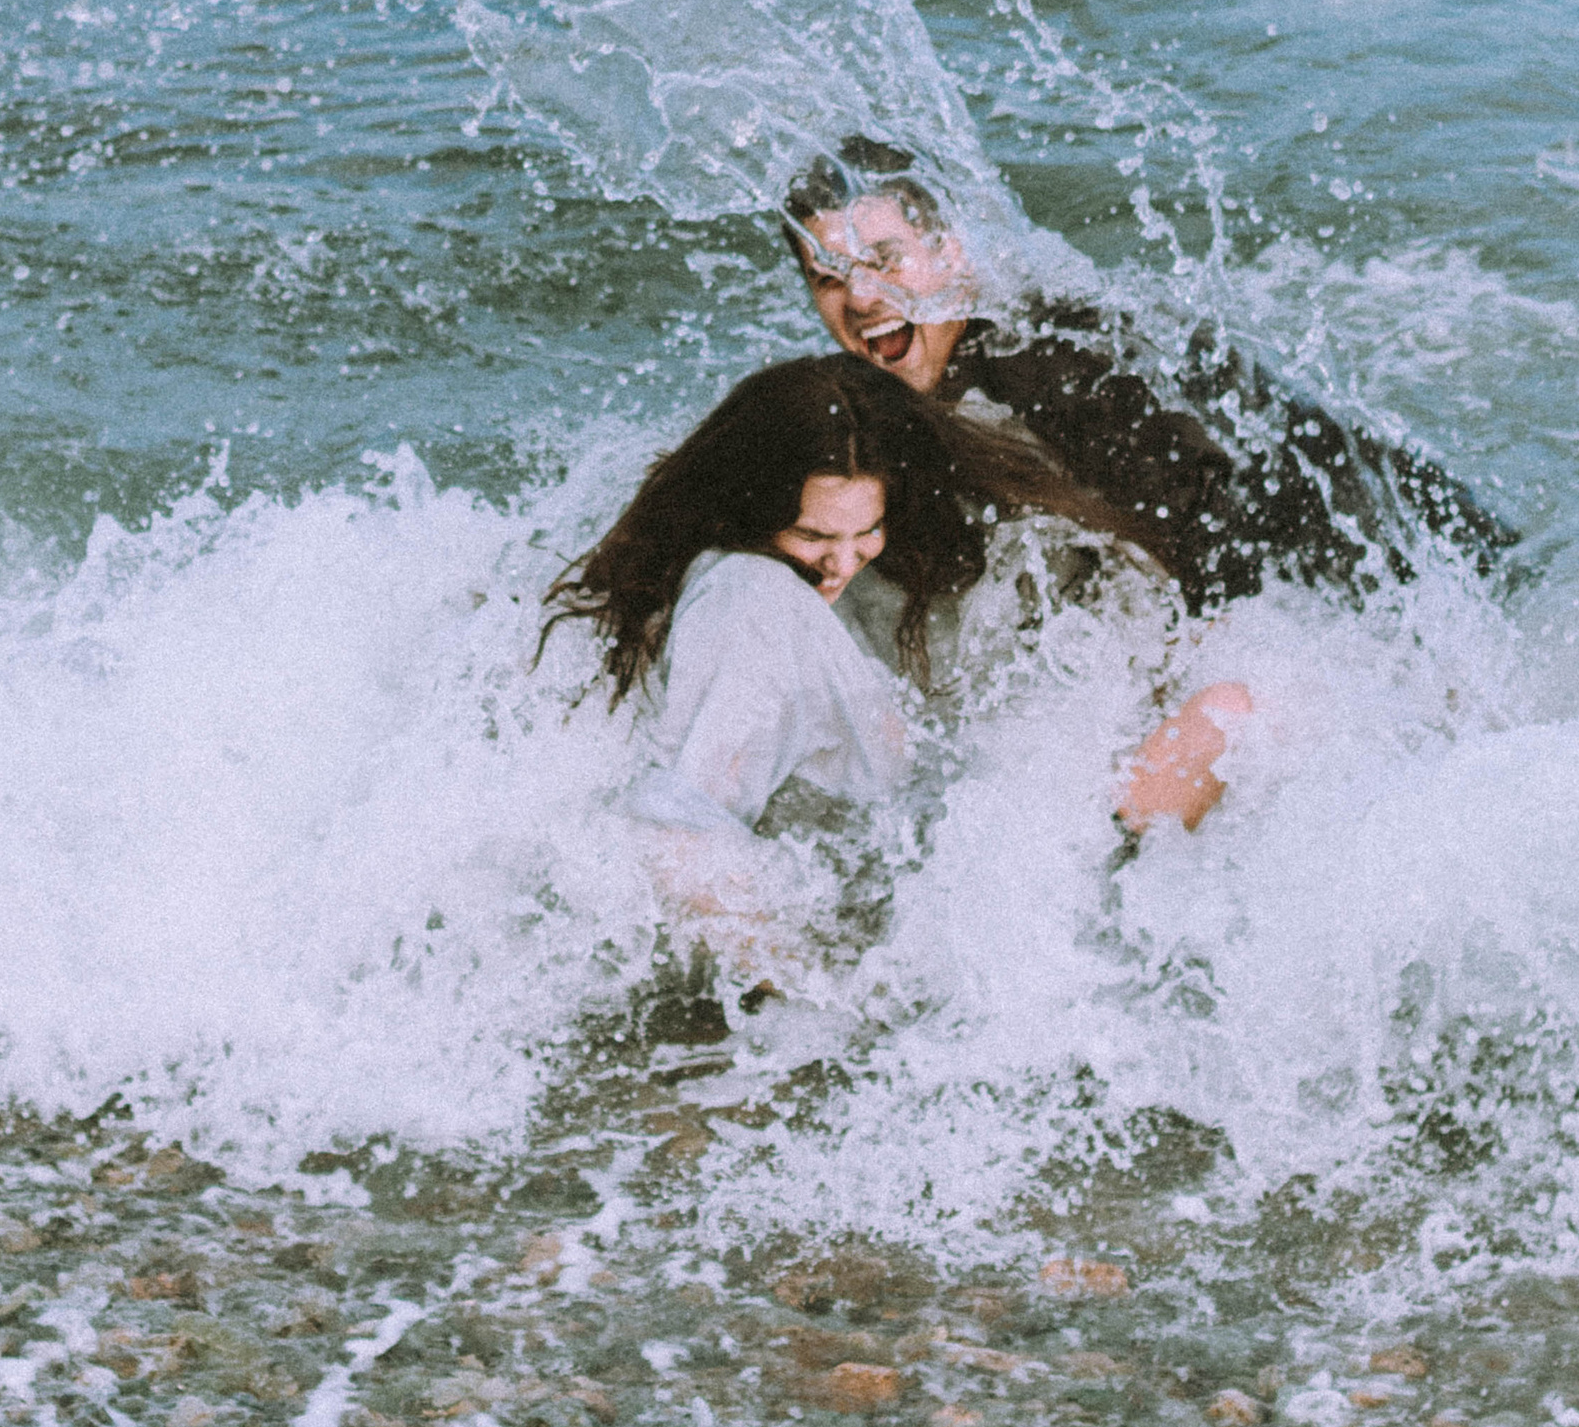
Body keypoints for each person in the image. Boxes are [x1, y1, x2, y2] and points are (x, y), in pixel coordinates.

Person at [543, 357, 1248, 957]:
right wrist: (816, 1000)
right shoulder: (744, 598)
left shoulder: (850, 571)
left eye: (866, 530)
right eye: (813, 534)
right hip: (846, 913)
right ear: (750, 505)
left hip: (909, 866)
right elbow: (678, 841)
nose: (842, 562)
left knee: (1235, 711)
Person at [780, 133, 1513, 614]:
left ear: (951, 254)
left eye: (884, 259)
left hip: (1421, 551)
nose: (862, 297)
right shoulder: (937, 369)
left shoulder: (1040, 360)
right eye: (829, 278)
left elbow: (1210, 511)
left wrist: (1191, 661)